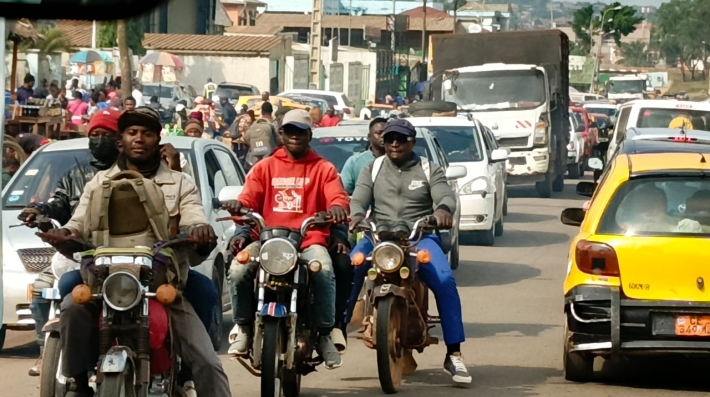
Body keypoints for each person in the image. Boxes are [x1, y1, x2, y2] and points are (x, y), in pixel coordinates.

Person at [44, 107, 230, 397]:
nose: (139, 139)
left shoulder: (181, 182)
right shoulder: (99, 183)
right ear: (122, 141)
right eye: (132, 132)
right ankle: (79, 384)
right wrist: (65, 233)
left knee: (208, 362)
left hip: (161, 283)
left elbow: (193, 215)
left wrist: (198, 229)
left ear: (158, 140)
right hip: (105, 281)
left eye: (146, 133)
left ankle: (186, 376)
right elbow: (78, 222)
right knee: (70, 308)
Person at [347, 118, 472, 385]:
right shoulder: (373, 168)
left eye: (401, 139)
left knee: (445, 280)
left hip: (419, 237)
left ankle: (454, 353)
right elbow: (358, 198)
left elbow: (445, 195)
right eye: (390, 139)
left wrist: (442, 211)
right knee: (350, 266)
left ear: (412, 142)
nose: (394, 144)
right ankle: (334, 331)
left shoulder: (429, 169)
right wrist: (357, 214)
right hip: (377, 237)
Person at [222, 109, 349, 369]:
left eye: (300, 132)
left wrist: (336, 208)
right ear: (280, 134)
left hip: (308, 240)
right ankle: (244, 327)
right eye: (290, 131)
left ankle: (325, 334)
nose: (295, 136)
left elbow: (338, 197)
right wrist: (239, 206)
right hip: (269, 241)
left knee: (324, 270)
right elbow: (249, 198)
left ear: (309, 135)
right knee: (238, 268)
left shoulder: (323, 168)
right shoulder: (265, 167)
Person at [340, 117, 386, 195]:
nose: (383, 136)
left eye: (387, 133)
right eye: (379, 133)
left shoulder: (399, 160)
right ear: (369, 137)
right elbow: (345, 191)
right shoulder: (355, 162)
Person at [243, 101, 279, 166]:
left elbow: (246, 138)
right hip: (269, 159)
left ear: (262, 112)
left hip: (253, 161)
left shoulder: (255, 124)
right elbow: (278, 140)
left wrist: (255, 145)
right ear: (271, 111)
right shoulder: (274, 124)